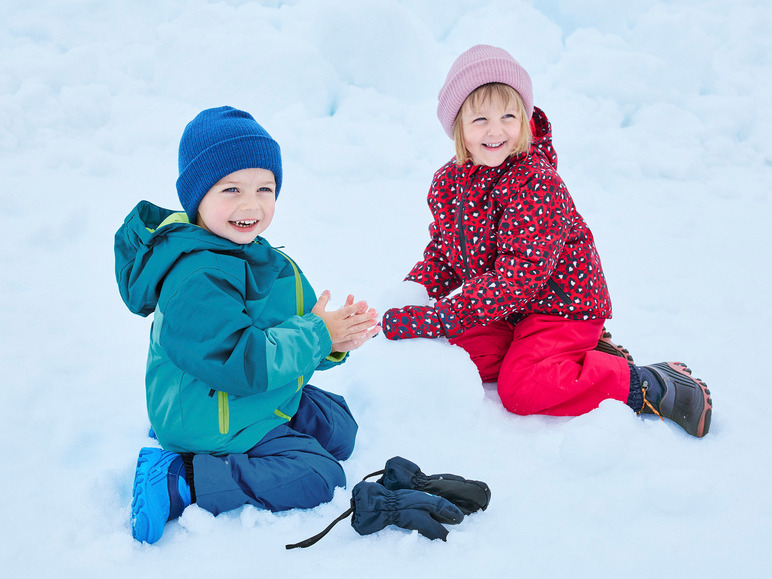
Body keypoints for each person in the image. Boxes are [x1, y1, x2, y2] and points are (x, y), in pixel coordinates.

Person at [382, 45, 712, 438]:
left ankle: (647, 383)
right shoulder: (449, 182)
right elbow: (443, 255)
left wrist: (438, 316)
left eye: (508, 115)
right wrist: (410, 296)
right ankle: (572, 361)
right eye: (480, 118)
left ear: (524, 117)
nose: (495, 130)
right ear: (458, 127)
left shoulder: (535, 182)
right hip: (508, 310)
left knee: (521, 389)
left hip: (562, 307)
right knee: (457, 351)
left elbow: (517, 277)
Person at [115, 106, 380, 544]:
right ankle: (183, 477)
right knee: (319, 474)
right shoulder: (195, 278)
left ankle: (239, 445)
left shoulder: (258, 256)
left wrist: (335, 336)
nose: (251, 204)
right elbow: (240, 360)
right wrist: (317, 335)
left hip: (234, 393)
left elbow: (297, 324)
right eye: (231, 189)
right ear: (197, 197)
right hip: (209, 410)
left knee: (338, 428)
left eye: (264, 188)